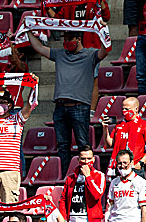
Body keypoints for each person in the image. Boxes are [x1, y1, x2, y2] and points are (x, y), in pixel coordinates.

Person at [26, 30, 110, 168]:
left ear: (78, 39)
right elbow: (39, 48)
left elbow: (105, 50)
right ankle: (64, 176)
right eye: (65, 39)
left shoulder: (90, 55)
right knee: (62, 146)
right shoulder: (60, 54)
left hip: (80, 106)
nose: (67, 42)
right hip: (60, 106)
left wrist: (103, 31)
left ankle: (86, 175)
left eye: (70, 38)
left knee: (83, 144)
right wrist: (27, 30)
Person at [44, 0, 111, 52]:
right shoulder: (71, 1)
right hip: (73, 44)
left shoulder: (95, 0)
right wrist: (46, 6)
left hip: (91, 45)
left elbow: (106, 17)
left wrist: (101, 1)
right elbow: (57, 18)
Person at [103, 96, 146, 177]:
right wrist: (105, 128)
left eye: (127, 109)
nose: (124, 111)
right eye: (123, 109)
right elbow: (109, 144)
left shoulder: (144, 125)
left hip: (134, 167)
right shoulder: (119, 125)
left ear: (136, 109)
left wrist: (141, 163)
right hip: (120, 167)